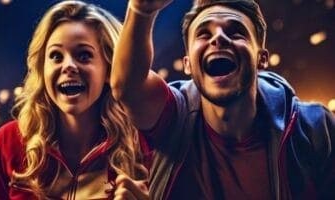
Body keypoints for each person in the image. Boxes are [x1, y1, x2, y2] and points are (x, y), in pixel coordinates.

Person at [111, 0, 335, 199]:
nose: (218, 37)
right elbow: (127, 87)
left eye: (236, 31)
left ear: (262, 59)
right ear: (187, 64)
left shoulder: (315, 128)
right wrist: (141, 11)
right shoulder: (173, 117)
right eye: (204, 34)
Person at [0, 1, 149, 199]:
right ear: (42, 69)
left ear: (109, 69)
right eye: (55, 56)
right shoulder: (8, 142)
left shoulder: (141, 146)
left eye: (84, 55)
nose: (68, 66)